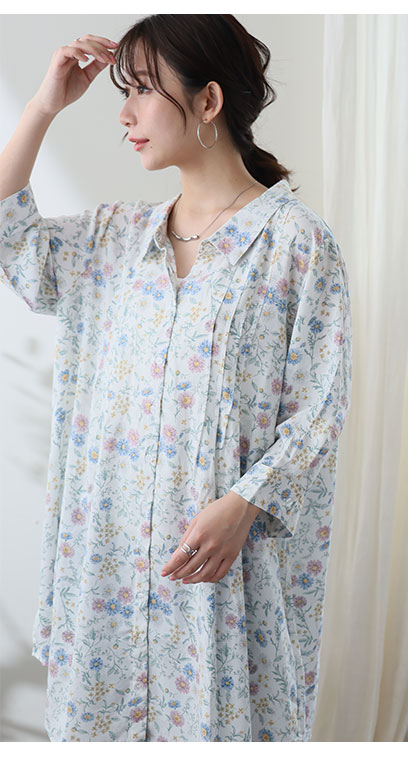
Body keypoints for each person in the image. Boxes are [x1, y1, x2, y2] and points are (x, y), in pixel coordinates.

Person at [0, 14, 352, 742]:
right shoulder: (113, 239)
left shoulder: (296, 245)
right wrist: (43, 106)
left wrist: (243, 504)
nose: (123, 115)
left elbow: (320, 409)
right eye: (122, 92)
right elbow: (9, 229)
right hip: (109, 575)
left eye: (142, 91)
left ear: (208, 101)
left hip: (221, 577)